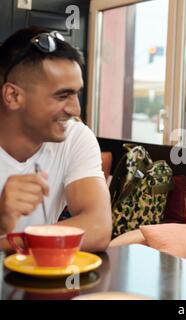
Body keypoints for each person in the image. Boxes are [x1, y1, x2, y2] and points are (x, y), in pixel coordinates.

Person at [0, 27, 112, 252]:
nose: (75, 109)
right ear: (13, 96)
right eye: (63, 95)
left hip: (39, 281)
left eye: (76, 94)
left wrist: (7, 243)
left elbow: (98, 227)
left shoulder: (75, 137)